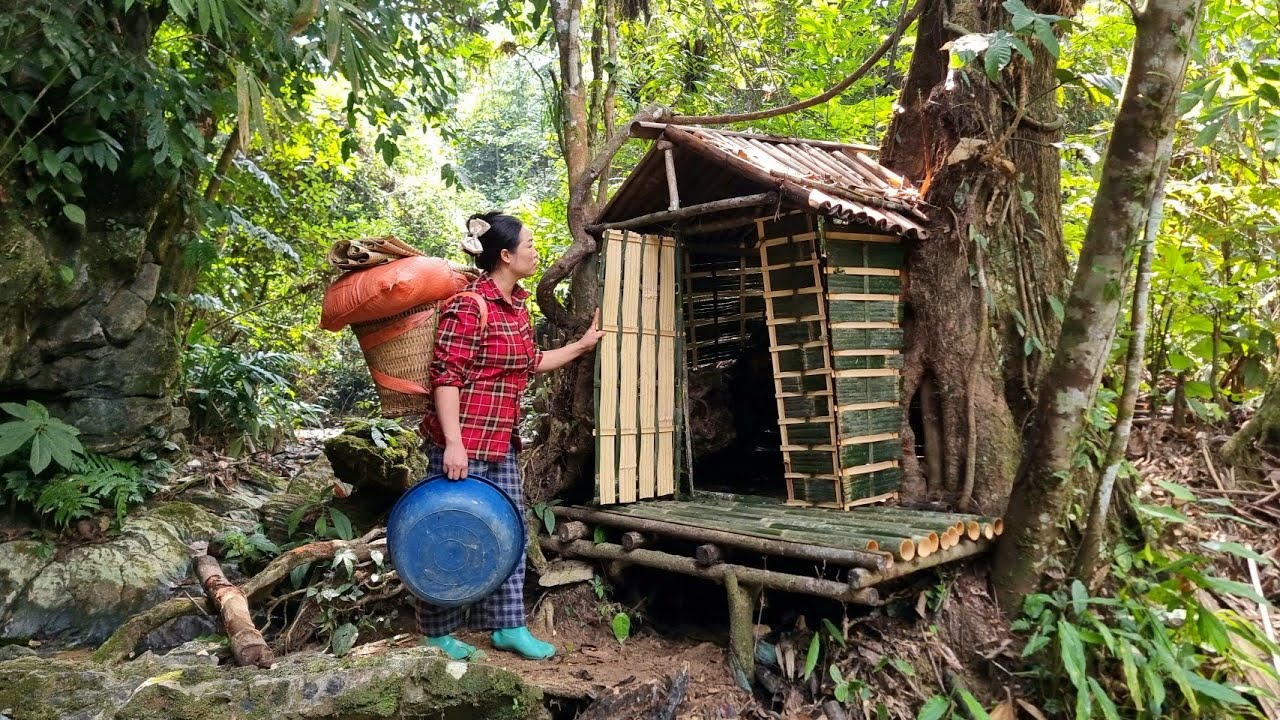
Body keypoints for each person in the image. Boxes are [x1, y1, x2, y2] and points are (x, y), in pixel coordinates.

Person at [416, 211, 605, 661]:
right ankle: (437, 633)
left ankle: (507, 626)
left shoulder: (517, 306)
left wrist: (581, 346)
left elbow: (530, 362)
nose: (537, 251)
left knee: (510, 532)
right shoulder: (469, 305)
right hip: (459, 444)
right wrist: (454, 444)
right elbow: (446, 378)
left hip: (501, 444)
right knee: (446, 534)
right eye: (530, 245)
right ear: (505, 255)